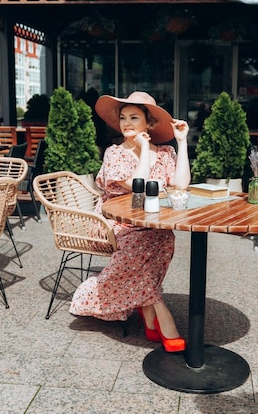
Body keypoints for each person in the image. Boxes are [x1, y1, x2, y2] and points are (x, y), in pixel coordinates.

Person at [69, 91, 191, 353]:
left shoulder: (166, 152)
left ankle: (147, 314)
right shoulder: (115, 153)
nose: (126, 123)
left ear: (149, 123)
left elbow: (181, 184)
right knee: (143, 241)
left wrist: (182, 143)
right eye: (123, 118)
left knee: (163, 237)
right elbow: (138, 188)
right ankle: (163, 318)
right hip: (115, 223)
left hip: (152, 223)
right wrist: (145, 149)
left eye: (134, 118)